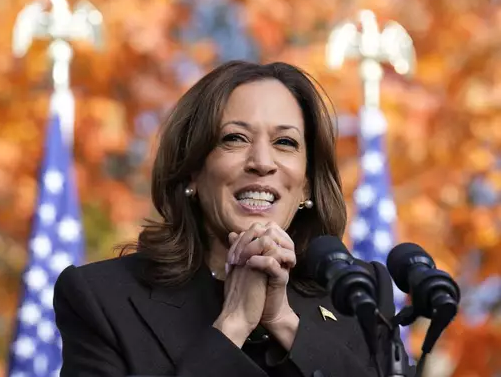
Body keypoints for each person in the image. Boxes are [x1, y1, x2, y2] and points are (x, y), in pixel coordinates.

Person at [53, 60, 413, 377]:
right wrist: (234, 324)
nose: (262, 161)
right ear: (192, 171)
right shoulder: (102, 299)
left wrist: (284, 323)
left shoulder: (359, 295)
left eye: (285, 142)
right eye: (235, 138)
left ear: (306, 186)